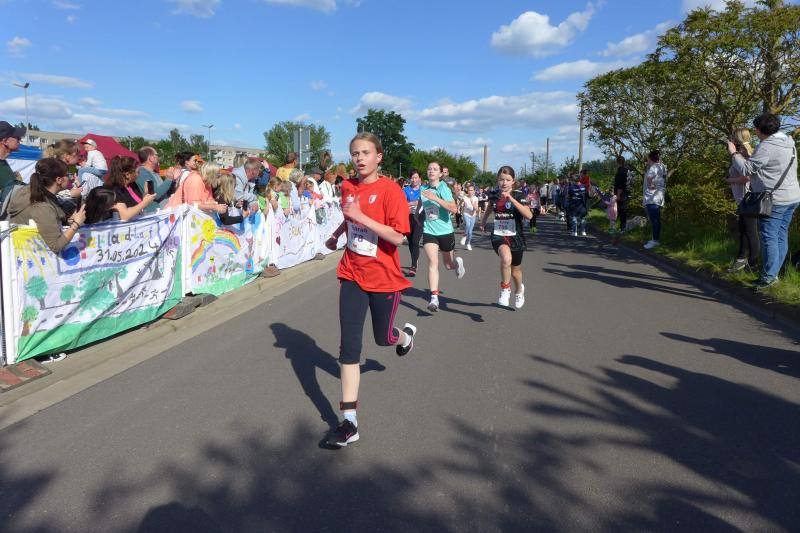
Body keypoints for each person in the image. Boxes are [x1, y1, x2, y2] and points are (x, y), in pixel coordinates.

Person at [322, 132, 417, 447]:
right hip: (352, 273)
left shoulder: (391, 191)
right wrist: (337, 234)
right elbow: (350, 219)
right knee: (349, 348)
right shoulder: (348, 187)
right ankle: (349, 421)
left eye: (365, 152)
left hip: (384, 278)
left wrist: (361, 216)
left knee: (383, 337)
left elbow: (398, 237)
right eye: (355, 153)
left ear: (379, 156)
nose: (359, 158)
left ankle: (405, 337)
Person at [730, 112, 800, 290]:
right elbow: (771, 166)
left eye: (756, 129)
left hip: (775, 199)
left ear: (760, 130)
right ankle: (775, 273)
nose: (755, 131)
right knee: (780, 235)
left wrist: (734, 153)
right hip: (792, 197)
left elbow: (746, 169)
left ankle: (768, 278)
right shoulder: (788, 142)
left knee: (769, 237)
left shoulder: (767, 146)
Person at [8, 158, 87, 253]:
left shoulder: (34, 192)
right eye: (67, 175)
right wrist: (76, 224)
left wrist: (69, 220)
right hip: (28, 255)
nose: (70, 178)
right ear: (59, 180)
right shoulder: (42, 206)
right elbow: (56, 246)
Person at [480, 166, 533, 308]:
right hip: (499, 234)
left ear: (513, 181)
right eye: (501, 179)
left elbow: (529, 215)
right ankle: (505, 289)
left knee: (516, 271)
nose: (504, 183)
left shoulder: (519, 195)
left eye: (508, 180)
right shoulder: (494, 194)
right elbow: (490, 207)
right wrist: (483, 221)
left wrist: (512, 200)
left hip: (516, 236)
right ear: (498, 180)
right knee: (506, 259)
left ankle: (519, 290)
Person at [419, 161, 466, 311]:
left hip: (445, 232)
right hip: (429, 231)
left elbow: (454, 209)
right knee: (433, 262)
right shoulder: (423, 188)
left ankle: (457, 264)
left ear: (440, 174)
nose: (431, 171)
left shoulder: (443, 188)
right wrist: (416, 217)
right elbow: (421, 204)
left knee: (448, 265)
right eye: (429, 169)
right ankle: (434, 298)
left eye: (435, 169)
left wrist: (435, 198)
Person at [725, 128, 759, 273]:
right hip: (742, 199)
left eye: (732, 137)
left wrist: (730, 180)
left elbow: (747, 177)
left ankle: (753, 265)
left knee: (750, 232)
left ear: (736, 138)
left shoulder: (745, 153)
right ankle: (741, 260)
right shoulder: (743, 152)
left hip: (748, 199)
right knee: (743, 230)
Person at [101, 156, 157, 220]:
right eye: (137, 172)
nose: (139, 174)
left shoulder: (132, 185)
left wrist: (145, 193)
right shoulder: (113, 189)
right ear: (127, 174)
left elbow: (138, 205)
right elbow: (125, 216)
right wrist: (144, 203)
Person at [643, 150, 667, 249]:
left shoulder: (654, 167)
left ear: (650, 159)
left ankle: (655, 241)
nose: (647, 161)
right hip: (659, 197)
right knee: (656, 219)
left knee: (654, 220)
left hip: (652, 197)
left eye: (648, 159)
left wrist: (651, 185)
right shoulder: (662, 166)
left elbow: (649, 177)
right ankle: (655, 238)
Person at [402, 169, 424, 276]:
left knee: (415, 241)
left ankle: (413, 265)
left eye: (416, 177)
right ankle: (414, 259)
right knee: (410, 242)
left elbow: (425, 202)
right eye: (412, 178)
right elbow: (402, 203)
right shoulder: (406, 190)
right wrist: (412, 203)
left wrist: (416, 203)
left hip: (420, 217)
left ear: (419, 178)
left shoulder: (423, 190)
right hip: (409, 217)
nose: (414, 180)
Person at [0, 121, 25, 189]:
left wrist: (17, 183)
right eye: (17, 138)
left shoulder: (3, 162)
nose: (20, 140)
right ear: (5, 141)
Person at [613, 156, 633, 232]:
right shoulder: (627, 170)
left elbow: (620, 184)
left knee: (622, 211)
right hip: (627, 192)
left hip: (621, 193)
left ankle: (623, 228)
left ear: (617, 162)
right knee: (624, 210)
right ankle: (623, 227)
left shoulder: (620, 171)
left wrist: (618, 194)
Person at [460, 182, 479, 249]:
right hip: (466, 214)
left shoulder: (476, 198)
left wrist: (473, 204)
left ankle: (468, 243)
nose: (470, 191)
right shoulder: (465, 198)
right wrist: (460, 205)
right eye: (469, 190)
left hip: (473, 216)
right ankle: (464, 236)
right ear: (467, 191)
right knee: (467, 225)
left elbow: (476, 209)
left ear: (474, 191)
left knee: (470, 232)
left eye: (471, 190)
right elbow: (460, 202)